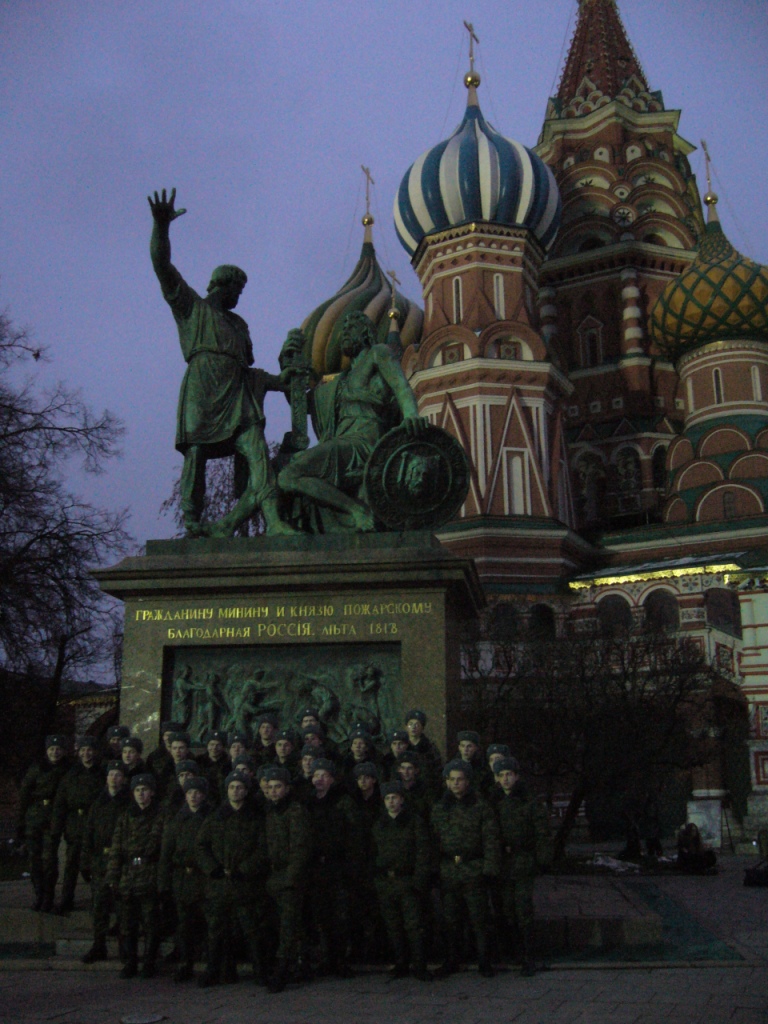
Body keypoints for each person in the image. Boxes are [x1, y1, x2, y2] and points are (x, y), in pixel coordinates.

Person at [148, 187, 296, 538]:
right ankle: (192, 520)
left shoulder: (239, 326)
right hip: (203, 386)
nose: (239, 296)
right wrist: (162, 227)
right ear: (222, 285)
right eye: (237, 290)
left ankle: (273, 520)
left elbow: (250, 372)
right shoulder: (192, 308)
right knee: (195, 455)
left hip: (236, 394)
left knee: (257, 450)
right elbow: (162, 266)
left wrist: (281, 380)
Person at [278, 309, 429, 532]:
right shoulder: (341, 381)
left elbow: (401, 387)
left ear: (366, 333)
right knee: (282, 471)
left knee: (290, 475)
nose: (344, 334)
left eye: (350, 329)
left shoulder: (378, 353)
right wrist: (287, 365)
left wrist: (411, 416)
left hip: (364, 442)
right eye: (342, 331)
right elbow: (303, 405)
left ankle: (357, 511)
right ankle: (349, 512)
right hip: (343, 441)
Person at [195, 770, 270, 987]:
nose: (235, 791)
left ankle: (260, 971)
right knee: (217, 931)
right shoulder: (216, 817)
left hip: (246, 884)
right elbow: (201, 846)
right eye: (231, 787)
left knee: (252, 930)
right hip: (219, 885)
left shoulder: (255, 818)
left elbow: (263, 849)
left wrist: (245, 869)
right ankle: (215, 970)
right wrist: (213, 869)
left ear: (246, 791)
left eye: (239, 787)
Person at [431, 760, 500, 978]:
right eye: (451, 780)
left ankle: (484, 960)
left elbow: (490, 839)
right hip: (449, 869)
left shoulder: (480, 806)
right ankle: (452, 959)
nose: (455, 784)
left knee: (479, 918)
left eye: (459, 779)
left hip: (474, 868)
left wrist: (489, 868)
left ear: (468, 781)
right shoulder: (440, 808)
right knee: (451, 919)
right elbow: (433, 841)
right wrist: (434, 870)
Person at [494, 756, 552, 976]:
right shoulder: (493, 801)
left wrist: (542, 860)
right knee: (508, 909)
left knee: (523, 909)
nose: (506, 779)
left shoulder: (529, 801)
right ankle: (515, 952)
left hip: (524, 861)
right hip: (504, 863)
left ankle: (529, 955)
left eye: (509, 774)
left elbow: (542, 832)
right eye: (502, 775)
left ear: (516, 776)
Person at [371, 781, 432, 981]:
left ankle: (420, 964)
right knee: (393, 926)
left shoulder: (414, 821)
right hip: (386, 882)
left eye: (394, 798)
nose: (391, 802)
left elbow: (422, 852)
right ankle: (401, 963)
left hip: (407, 881)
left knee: (413, 925)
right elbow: (372, 852)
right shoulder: (379, 824)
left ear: (402, 800)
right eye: (387, 798)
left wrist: (418, 880)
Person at [107, 773, 165, 979]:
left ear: (152, 792)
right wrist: (113, 876)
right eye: (137, 790)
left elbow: (158, 845)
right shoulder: (126, 816)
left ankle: (149, 961)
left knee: (150, 922)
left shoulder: (160, 815)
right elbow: (116, 847)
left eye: (145, 789)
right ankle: (130, 961)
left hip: (149, 874)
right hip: (128, 876)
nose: (141, 794)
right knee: (127, 924)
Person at [262, 765, 313, 992]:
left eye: (278, 787)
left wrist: (290, 878)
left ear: (287, 788)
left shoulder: (295, 811)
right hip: (273, 876)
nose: (274, 791)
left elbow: (300, 848)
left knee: (288, 925)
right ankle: (298, 963)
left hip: (289, 877)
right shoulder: (271, 811)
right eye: (270, 787)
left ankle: (282, 969)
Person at [158, 776, 212, 982]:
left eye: (197, 793)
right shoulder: (177, 821)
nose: (193, 796)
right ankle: (185, 963)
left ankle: (210, 964)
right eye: (190, 793)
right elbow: (166, 854)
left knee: (209, 924)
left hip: (204, 878)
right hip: (182, 878)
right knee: (184, 925)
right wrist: (163, 884)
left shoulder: (211, 818)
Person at [304, 759, 354, 977]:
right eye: (316, 776)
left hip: (337, 867)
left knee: (339, 918)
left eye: (324, 776)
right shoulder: (307, 804)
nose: (319, 780)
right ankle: (326, 959)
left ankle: (340, 960)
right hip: (315, 869)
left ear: (332, 779)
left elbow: (352, 837)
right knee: (320, 916)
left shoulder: (343, 803)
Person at [80, 760, 130, 963]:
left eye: (118, 775)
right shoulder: (98, 803)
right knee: (99, 907)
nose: (114, 778)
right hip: (100, 861)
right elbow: (88, 834)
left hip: (121, 861)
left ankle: (124, 949)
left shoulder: (128, 803)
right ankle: (98, 945)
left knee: (122, 907)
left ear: (124, 779)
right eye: (111, 774)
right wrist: (85, 862)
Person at [47, 736, 104, 914]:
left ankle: (99, 902)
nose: (86, 753)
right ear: (78, 753)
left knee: (96, 866)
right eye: (83, 750)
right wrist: (57, 829)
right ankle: (66, 900)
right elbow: (60, 804)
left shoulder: (102, 774)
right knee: (71, 865)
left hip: (94, 825)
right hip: (75, 825)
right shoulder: (70, 775)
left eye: (89, 750)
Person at [16, 734, 71, 912]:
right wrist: (21, 822)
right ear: (46, 751)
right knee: (34, 859)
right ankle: (39, 893)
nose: (55, 752)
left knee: (49, 860)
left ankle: (48, 896)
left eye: (58, 749)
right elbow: (25, 794)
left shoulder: (67, 769)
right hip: (34, 818)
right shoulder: (37, 768)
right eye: (51, 749)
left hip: (53, 818)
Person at [404, 710, 443, 797]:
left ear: (422, 727)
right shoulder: (402, 747)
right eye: (411, 724)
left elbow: (437, 771)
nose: (414, 727)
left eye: (417, 724)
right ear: (406, 727)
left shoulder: (430, 748)